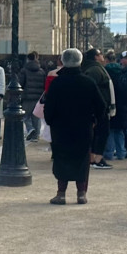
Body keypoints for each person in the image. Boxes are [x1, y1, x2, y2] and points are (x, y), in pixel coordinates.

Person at [42, 49, 109, 204]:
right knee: (82, 159)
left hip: (60, 128)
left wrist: (51, 121)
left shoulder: (57, 83)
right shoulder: (88, 82)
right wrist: (96, 122)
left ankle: (61, 193)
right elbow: (101, 106)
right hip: (83, 128)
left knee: (61, 158)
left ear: (63, 61)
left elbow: (49, 106)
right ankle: (81, 193)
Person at [81, 48, 116, 168]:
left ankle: (93, 159)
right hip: (99, 109)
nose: (103, 56)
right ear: (96, 57)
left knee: (98, 133)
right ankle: (97, 159)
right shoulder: (95, 70)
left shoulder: (93, 68)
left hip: (98, 108)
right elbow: (90, 89)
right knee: (101, 133)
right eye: (100, 54)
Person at [19, 51, 48, 141]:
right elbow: (44, 84)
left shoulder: (24, 70)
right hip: (38, 97)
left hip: (27, 96)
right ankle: (36, 136)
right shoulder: (42, 71)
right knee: (36, 117)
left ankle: (30, 129)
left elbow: (21, 83)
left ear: (28, 59)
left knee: (24, 116)